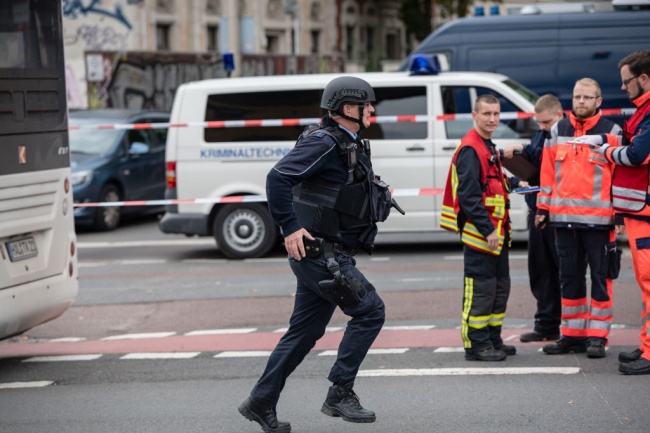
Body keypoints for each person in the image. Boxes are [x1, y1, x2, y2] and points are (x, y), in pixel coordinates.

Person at [238, 76, 398, 432]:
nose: (372, 110)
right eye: (366, 104)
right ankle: (340, 393)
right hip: (320, 254)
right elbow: (277, 177)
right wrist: (289, 227)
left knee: (304, 333)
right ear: (347, 108)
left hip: (327, 251)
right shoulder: (324, 142)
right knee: (371, 311)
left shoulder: (345, 142)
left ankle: (261, 401)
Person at [574, 51, 650, 374]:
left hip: (645, 212)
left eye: (626, 81)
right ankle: (647, 344)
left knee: (649, 281)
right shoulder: (642, 112)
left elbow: (637, 155)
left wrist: (605, 150)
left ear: (643, 79)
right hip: (639, 211)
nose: (623, 87)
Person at [535, 78, 621, 359]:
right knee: (568, 279)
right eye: (577, 97)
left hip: (600, 222)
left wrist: (620, 213)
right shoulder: (558, 129)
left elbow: (621, 176)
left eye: (587, 97)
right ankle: (572, 335)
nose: (581, 101)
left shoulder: (611, 131)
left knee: (600, 278)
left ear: (599, 101)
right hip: (563, 220)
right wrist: (543, 209)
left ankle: (597, 337)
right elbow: (547, 172)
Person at [441, 94, 515, 362]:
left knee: (499, 289)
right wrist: (488, 231)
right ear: (474, 115)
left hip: (496, 236)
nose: (492, 119)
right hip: (481, 236)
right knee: (481, 291)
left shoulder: (487, 146)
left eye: (496, 114)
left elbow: (493, 186)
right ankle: (477, 344)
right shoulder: (472, 149)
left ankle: (493, 339)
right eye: (487, 114)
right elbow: (470, 197)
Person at [502, 95, 564, 343]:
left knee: (561, 273)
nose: (542, 127)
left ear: (559, 115)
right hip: (537, 210)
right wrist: (522, 153)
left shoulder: (563, 134)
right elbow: (535, 155)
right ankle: (546, 324)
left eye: (546, 122)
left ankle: (567, 328)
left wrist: (522, 152)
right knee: (541, 271)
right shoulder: (543, 132)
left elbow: (542, 159)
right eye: (539, 122)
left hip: (556, 213)